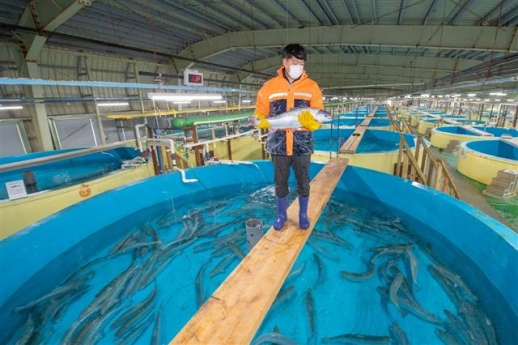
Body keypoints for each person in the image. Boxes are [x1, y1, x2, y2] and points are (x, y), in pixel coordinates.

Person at [254, 43, 324, 231]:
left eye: (301, 63)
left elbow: (319, 113)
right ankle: (281, 216)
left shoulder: (312, 86)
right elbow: (260, 111)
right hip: (278, 144)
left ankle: (302, 215)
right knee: (280, 181)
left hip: (302, 145)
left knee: (303, 181)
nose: (298, 66)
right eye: (294, 62)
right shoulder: (269, 87)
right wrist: (261, 121)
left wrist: (314, 123)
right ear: (284, 62)